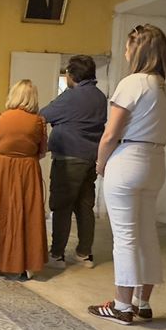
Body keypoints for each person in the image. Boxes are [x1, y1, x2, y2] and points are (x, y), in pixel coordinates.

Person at [87, 24, 166, 325]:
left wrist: (101, 164)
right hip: (156, 159)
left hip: (128, 158)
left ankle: (121, 307)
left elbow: (110, 133)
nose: (126, 53)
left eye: (129, 47)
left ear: (139, 49)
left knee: (126, 238)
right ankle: (143, 303)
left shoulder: (134, 82)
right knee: (147, 234)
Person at [0, 80, 48, 279]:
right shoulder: (39, 121)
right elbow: (42, 152)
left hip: (0, 167)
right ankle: (26, 267)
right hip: (27, 168)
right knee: (26, 213)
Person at [39, 55, 107, 268]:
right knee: (85, 206)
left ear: (72, 74)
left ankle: (57, 254)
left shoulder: (71, 96)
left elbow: (44, 115)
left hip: (69, 159)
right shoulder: (99, 97)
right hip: (90, 158)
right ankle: (84, 254)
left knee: (61, 206)